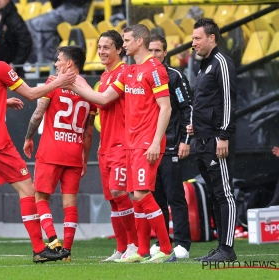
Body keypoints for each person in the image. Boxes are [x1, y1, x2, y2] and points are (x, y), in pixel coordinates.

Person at [0, 24, 76, 265]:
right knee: (27, 190)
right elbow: (31, 94)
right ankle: (40, 249)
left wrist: (1, 101)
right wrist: (59, 81)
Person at [70, 24, 175, 263]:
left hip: (146, 141)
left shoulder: (155, 69)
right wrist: (72, 83)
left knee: (141, 194)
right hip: (130, 142)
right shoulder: (128, 72)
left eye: (126, 40)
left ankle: (167, 250)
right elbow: (105, 98)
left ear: (139, 41)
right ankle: (142, 251)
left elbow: (166, 108)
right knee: (136, 196)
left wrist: (156, 142)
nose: (124, 44)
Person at [23, 46, 96, 262]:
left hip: (51, 151)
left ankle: (53, 241)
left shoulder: (53, 84)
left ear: (70, 64)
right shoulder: (89, 93)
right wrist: (84, 157)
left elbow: (38, 113)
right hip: (74, 152)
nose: (56, 64)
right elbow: (89, 132)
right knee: (70, 204)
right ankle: (67, 251)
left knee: (40, 197)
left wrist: (28, 137)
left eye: (59, 60)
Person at [187, 18, 237, 262]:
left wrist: (224, 135)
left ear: (212, 38)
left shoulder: (221, 63)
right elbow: (204, 101)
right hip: (203, 140)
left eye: (197, 38)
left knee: (225, 193)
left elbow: (228, 100)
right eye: (193, 38)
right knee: (215, 194)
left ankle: (227, 249)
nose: (193, 43)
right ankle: (220, 248)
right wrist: (194, 126)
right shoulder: (204, 65)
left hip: (217, 139)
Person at [95, 30, 139, 262]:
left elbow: (102, 100)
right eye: (99, 47)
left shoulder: (124, 72)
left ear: (119, 50)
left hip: (121, 145)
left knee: (119, 192)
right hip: (105, 145)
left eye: (107, 47)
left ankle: (135, 244)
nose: (101, 51)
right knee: (112, 199)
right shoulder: (104, 76)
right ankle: (121, 248)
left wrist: (71, 84)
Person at [148, 34, 192, 259]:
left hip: (172, 144)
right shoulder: (144, 75)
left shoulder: (174, 77)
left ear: (165, 53)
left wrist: (185, 140)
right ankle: (163, 241)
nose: (154, 55)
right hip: (150, 147)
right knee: (157, 198)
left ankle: (183, 243)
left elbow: (187, 109)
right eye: (151, 50)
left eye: (158, 51)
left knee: (175, 196)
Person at [26, 0, 92, 64]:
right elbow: (54, 4)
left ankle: (46, 60)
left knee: (39, 24)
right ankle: (37, 60)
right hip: (62, 9)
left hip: (76, 10)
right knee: (28, 24)